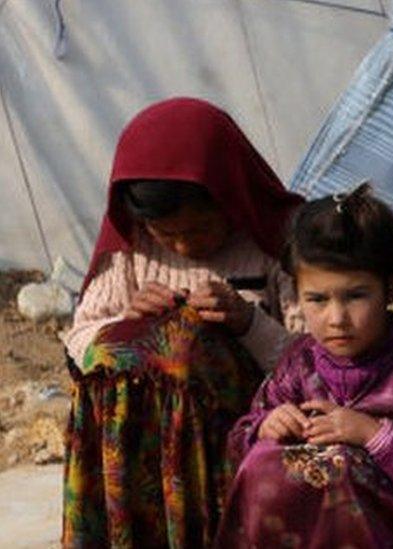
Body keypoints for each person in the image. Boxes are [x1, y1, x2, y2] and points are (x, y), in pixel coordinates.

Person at [61, 97, 305, 547]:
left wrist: (247, 321)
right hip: (144, 451)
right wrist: (125, 322)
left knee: (184, 346)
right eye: (168, 236)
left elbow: (315, 356)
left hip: (240, 428)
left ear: (231, 199)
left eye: (200, 229)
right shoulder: (131, 245)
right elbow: (80, 338)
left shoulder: (279, 238)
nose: (186, 247)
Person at [215, 184, 393, 548]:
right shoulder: (300, 362)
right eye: (316, 299)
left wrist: (371, 435)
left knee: (338, 466)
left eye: (356, 296)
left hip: (391, 535)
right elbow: (239, 446)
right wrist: (265, 426)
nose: (336, 319)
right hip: (301, 534)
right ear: (297, 294)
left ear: (391, 289)